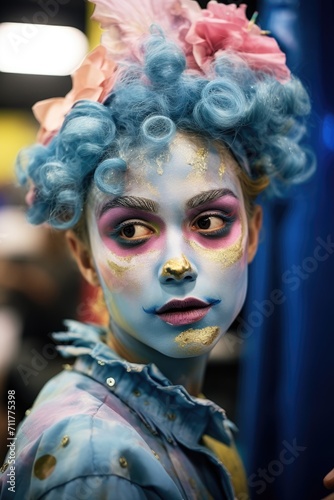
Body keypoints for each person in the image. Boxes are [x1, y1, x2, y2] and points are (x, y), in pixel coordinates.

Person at [0, 0, 316, 498]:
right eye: (130, 231)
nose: (178, 264)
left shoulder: (176, 416)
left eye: (210, 221)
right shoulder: (97, 461)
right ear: (83, 255)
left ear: (253, 232)